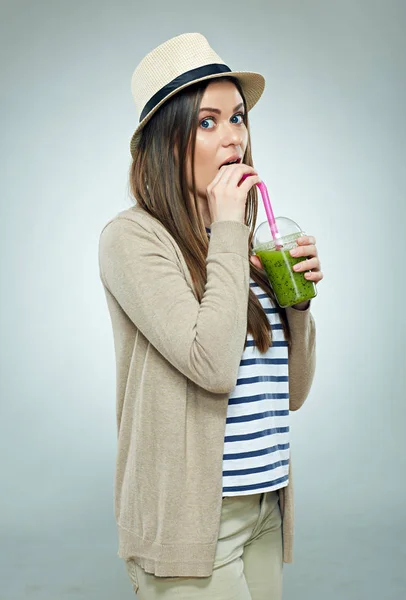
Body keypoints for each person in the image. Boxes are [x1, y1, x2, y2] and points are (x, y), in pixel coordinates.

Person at [98, 32, 323, 600]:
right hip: (193, 521)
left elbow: (291, 393)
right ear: (166, 142)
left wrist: (297, 304)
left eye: (238, 119)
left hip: (265, 504)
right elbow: (213, 366)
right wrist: (227, 230)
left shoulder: (242, 245)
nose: (234, 139)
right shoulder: (132, 239)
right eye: (207, 122)